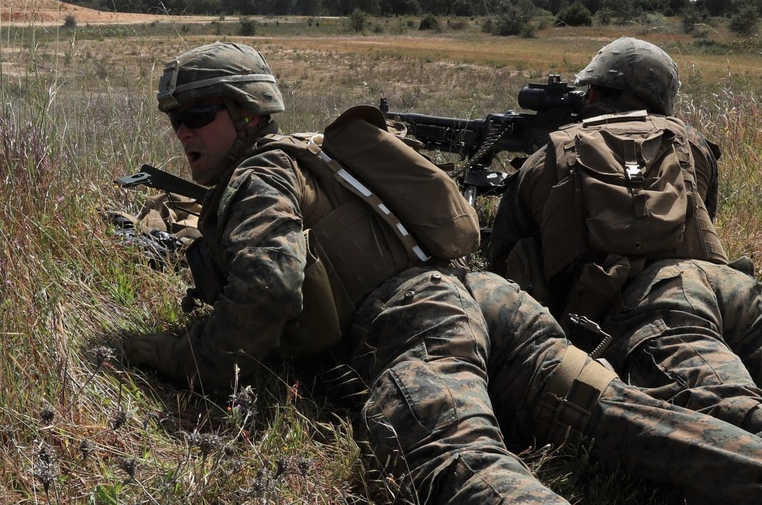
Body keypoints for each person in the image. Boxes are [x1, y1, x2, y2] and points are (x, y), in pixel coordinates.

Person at [118, 41, 762, 504]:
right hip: (489, 300)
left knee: (455, 462)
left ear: (249, 112)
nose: (183, 131)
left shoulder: (259, 176)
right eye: (176, 118)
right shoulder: (318, 154)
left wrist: (177, 353)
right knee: (620, 413)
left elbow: (270, 286)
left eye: (199, 115)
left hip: (415, 322)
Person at [490, 36, 762, 434]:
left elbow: (506, 264)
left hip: (659, 309)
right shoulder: (693, 142)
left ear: (594, 91)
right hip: (731, 288)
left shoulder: (544, 158)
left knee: (735, 415)